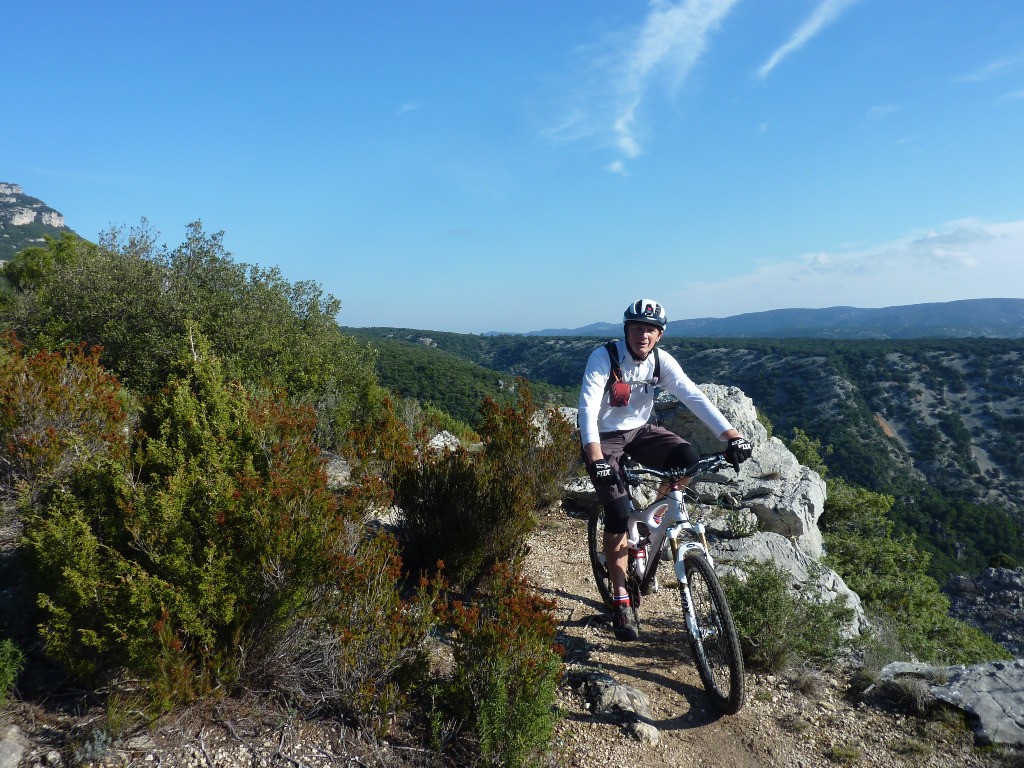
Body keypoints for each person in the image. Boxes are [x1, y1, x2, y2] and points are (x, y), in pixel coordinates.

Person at [578, 298, 752, 641]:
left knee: (687, 457)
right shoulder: (605, 357)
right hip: (603, 437)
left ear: (659, 335)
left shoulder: (660, 361)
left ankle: (653, 519)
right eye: (637, 328)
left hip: (640, 431)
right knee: (617, 511)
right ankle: (621, 598)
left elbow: (693, 395)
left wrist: (731, 435)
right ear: (627, 330)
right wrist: (596, 459)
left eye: (651, 330)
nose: (643, 335)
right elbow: (586, 407)